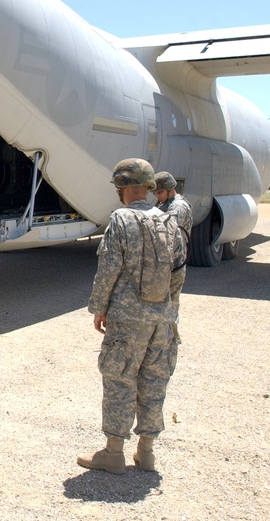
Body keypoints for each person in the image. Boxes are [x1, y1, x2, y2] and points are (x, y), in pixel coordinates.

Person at [78, 158, 186, 475]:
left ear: (123, 188)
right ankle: (146, 453)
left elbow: (108, 270)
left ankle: (113, 453)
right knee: (154, 382)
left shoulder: (121, 220)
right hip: (163, 318)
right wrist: (168, 310)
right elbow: (178, 274)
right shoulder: (169, 222)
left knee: (119, 381)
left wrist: (100, 308)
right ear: (149, 187)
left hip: (128, 320)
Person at [153, 171, 193, 316]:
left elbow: (167, 228)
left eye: (160, 192)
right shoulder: (165, 204)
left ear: (170, 189)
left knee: (170, 309)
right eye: (156, 193)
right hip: (167, 261)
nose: (158, 196)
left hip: (175, 264)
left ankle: (173, 338)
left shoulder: (178, 206)